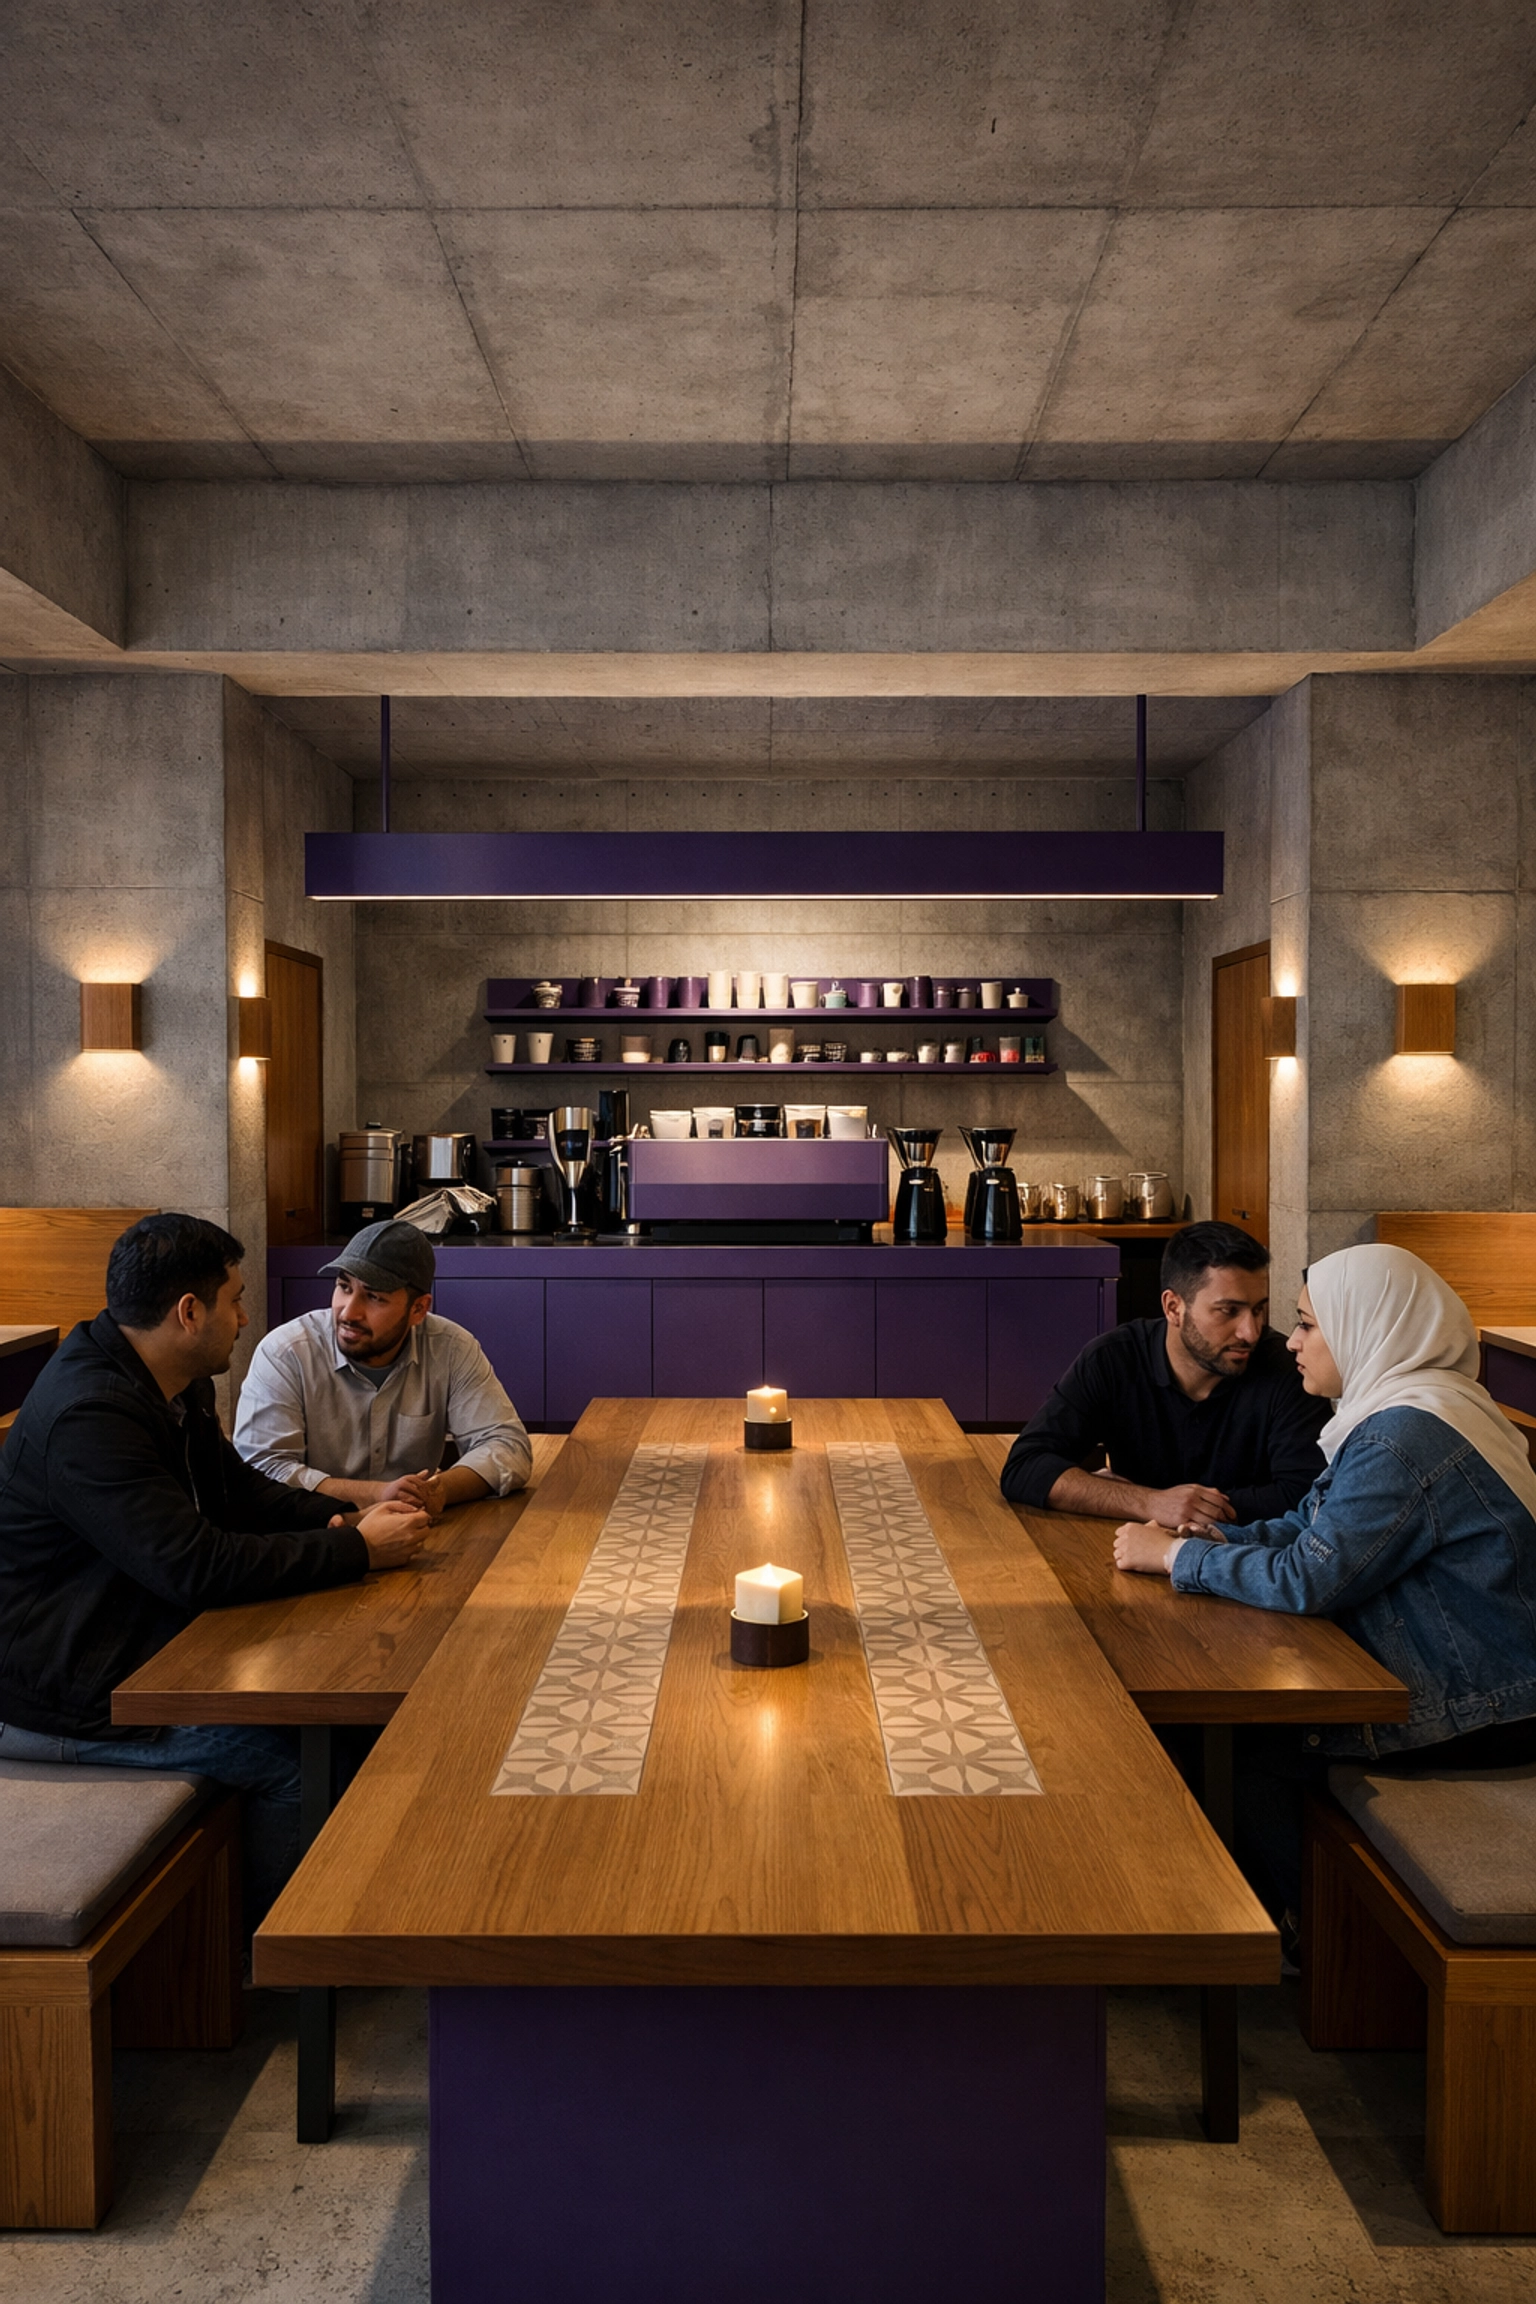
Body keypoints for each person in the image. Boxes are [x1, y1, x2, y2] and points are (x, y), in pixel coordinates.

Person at [0, 1213, 429, 1930]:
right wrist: (357, 1551)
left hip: (143, 1651)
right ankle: (282, 1964)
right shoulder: (90, 1416)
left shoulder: (167, 1379)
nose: (245, 1316)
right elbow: (194, 1568)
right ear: (188, 1312)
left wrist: (337, 1523)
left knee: (356, 1725)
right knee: (299, 1765)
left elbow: (240, 1494)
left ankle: (362, 1909)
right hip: (70, 1693)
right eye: (234, 1300)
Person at [1112, 1242, 1536, 1929]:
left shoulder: (1406, 1435)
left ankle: (1309, 1939)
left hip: (1487, 1708)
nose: (1291, 1342)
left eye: (1308, 1324)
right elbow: (1309, 1525)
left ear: (1368, 1325)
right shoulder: (1419, 1406)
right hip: (1489, 1685)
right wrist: (1217, 1541)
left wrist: (1174, 1561)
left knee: (1248, 1752)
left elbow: (1312, 1576)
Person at [999, 1221, 1329, 1528]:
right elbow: (1025, 1468)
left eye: (1258, 1309)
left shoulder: (1288, 1369)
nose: (1250, 1332)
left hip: (1248, 1565)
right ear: (1173, 1308)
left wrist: (1183, 1508)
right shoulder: (1114, 1359)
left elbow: (1307, 1497)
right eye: (1229, 1311)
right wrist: (1150, 1503)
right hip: (1131, 1556)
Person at [234, 1219, 532, 1512]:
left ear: (418, 1309)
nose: (349, 1312)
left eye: (374, 1297)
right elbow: (260, 1472)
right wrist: (378, 1495)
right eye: (344, 1287)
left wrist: (436, 1492)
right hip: (316, 1538)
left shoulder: (451, 1348)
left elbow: (508, 1447)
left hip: (416, 1533)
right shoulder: (286, 1353)